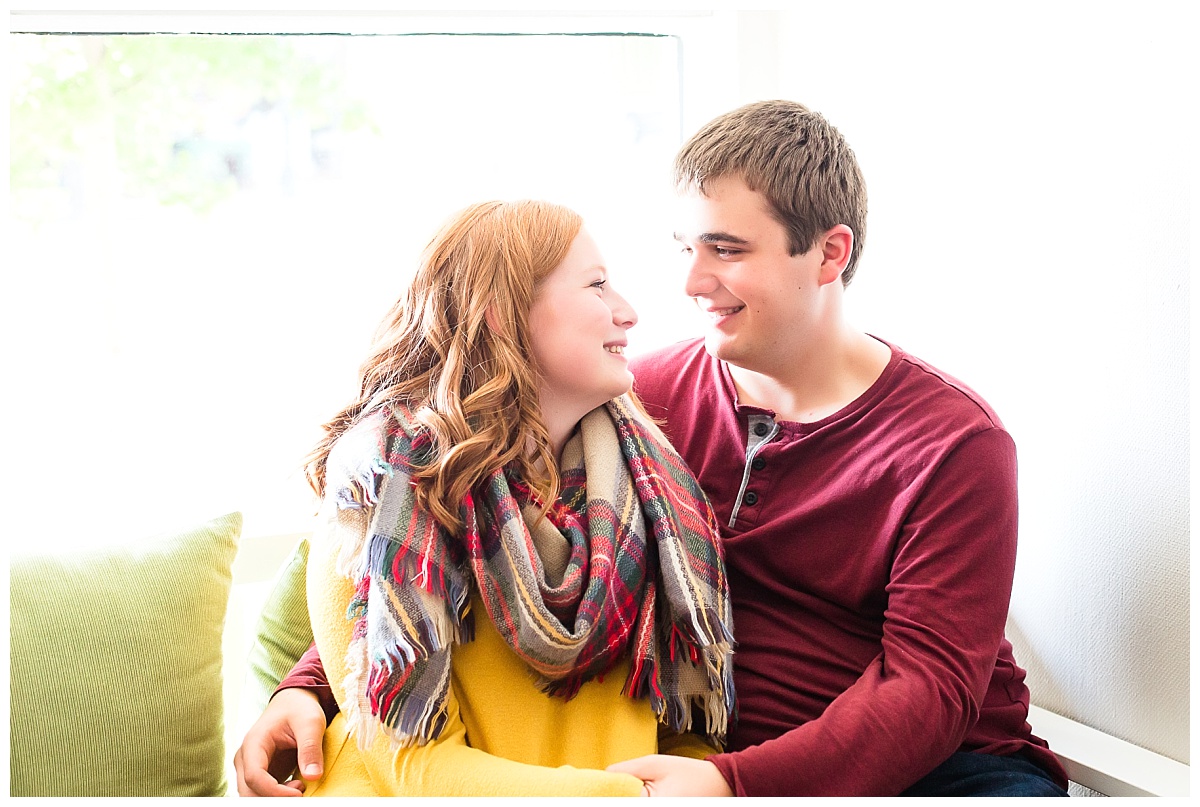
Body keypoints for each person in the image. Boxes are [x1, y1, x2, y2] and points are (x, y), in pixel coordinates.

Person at [235, 102, 1070, 797]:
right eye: (685, 247)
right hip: (699, 768)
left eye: (728, 251)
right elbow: (434, 546)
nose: (689, 283)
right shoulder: (634, 402)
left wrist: (735, 784)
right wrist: (308, 685)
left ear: (830, 253)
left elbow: (931, 691)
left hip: (939, 772)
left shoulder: (955, 443)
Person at [241, 199, 736, 797]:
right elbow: (413, 768)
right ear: (502, 314)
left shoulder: (653, 483)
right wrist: (634, 799)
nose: (629, 313)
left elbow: (681, 727)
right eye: (597, 286)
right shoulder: (384, 489)